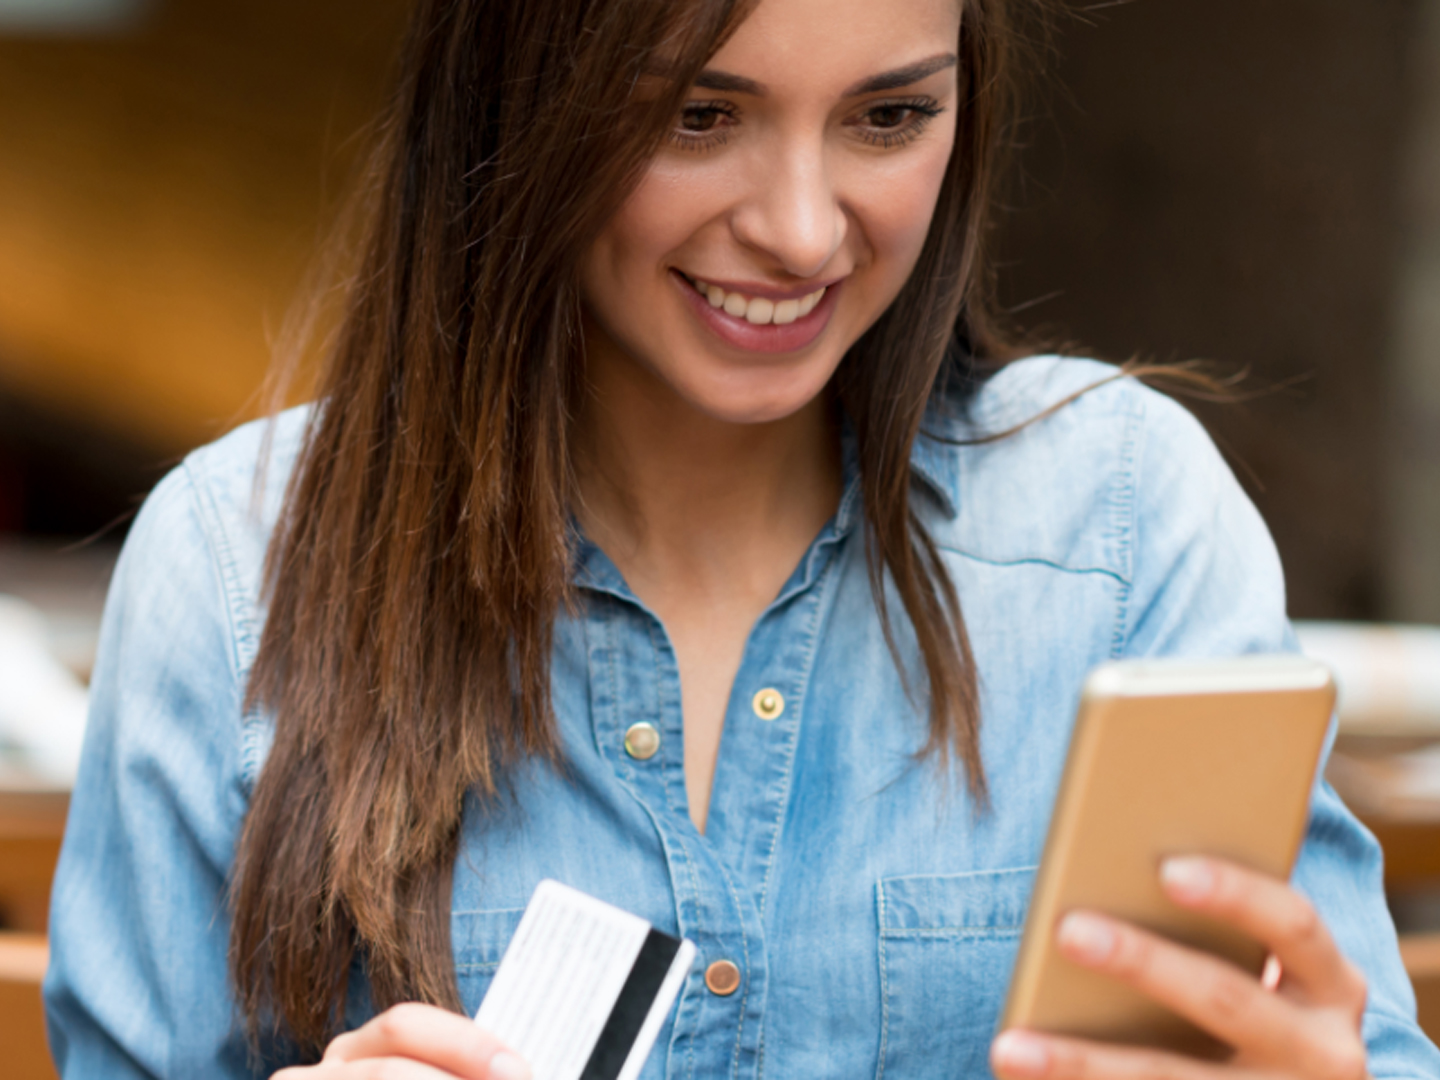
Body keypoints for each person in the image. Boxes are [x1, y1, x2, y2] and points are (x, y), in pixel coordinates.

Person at [40, 0, 1440, 1076]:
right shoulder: (236, 569)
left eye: (889, 119)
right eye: (701, 116)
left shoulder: (1119, 525)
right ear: (518, 100)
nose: (801, 227)